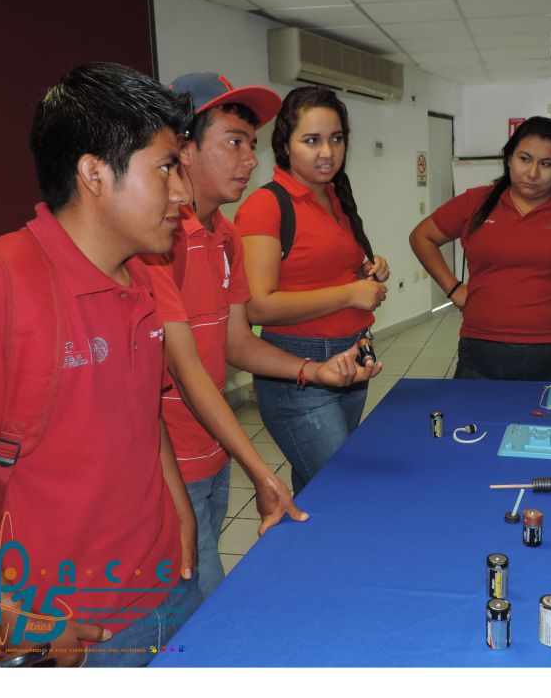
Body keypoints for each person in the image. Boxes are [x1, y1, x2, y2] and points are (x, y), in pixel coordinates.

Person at [0, 62, 202, 667]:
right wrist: (10, 613)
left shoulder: (141, 276)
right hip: (66, 628)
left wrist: (180, 511)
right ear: (94, 173)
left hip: (164, 586)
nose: (183, 194)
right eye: (166, 168)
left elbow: (144, 415)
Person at [143, 72, 382, 597]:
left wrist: (313, 371)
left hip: (213, 451)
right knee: (199, 606)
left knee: (202, 596)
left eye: (251, 144)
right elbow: (184, 368)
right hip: (168, 464)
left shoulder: (225, 236)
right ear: (182, 148)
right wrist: (260, 471)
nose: (250, 159)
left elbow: (236, 342)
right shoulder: (157, 241)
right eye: (234, 143)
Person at [235, 86, 389, 493]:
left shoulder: (336, 196)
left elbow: (324, 266)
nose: (327, 152)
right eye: (311, 140)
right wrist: (351, 293)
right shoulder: (266, 205)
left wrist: (368, 269)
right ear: (284, 144)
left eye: (336, 139)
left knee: (315, 485)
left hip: (352, 358)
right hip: (298, 371)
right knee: (343, 489)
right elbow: (258, 307)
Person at [409, 116, 551, 381]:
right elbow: (422, 237)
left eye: (546, 164)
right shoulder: (475, 202)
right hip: (481, 346)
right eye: (524, 159)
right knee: (473, 410)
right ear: (509, 158)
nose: (533, 173)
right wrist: (454, 289)